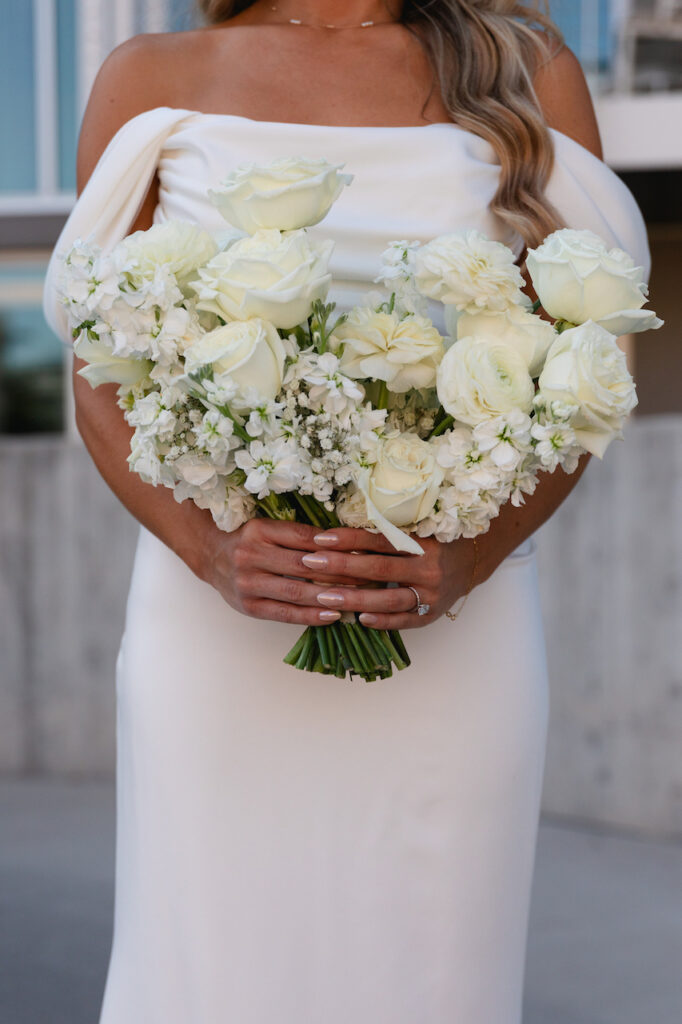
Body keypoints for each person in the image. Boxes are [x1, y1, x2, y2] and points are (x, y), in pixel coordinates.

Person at [43, 2, 649, 1021]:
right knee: (213, 970)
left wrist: (470, 559)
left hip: (456, 626)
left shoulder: (526, 66)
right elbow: (97, 374)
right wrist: (208, 549)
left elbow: (587, 364)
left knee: (431, 974)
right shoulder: (148, 77)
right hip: (220, 626)